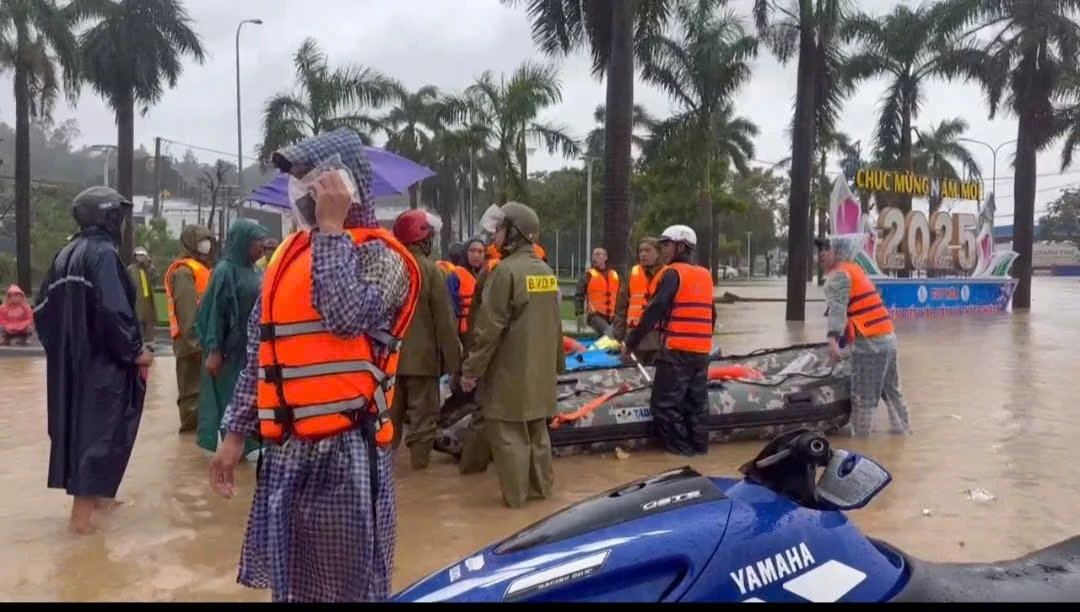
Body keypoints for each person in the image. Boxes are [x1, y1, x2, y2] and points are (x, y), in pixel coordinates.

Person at [208, 128, 421, 602]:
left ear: (345, 186)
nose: (301, 191)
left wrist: (330, 230)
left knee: (347, 589)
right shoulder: (285, 260)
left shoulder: (383, 258)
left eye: (313, 180)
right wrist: (235, 435)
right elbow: (262, 357)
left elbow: (346, 316)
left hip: (347, 452)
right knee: (293, 590)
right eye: (298, 181)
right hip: (285, 452)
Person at [33, 186, 154, 534]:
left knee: (79, 432)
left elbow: (41, 312)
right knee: (99, 435)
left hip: (70, 369)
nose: (125, 225)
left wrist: (64, 352)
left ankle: (101, 502)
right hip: (103, 368)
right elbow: (114, 310)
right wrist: (135, 351)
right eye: (121, 217)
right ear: (108, 218)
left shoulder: (64, 254)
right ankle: (81, 523)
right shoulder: (102, 255)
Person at [460, 202, 564, 508]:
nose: (495, 234)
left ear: (515, 231)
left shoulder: (505, 272)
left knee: (509, 437)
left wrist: (471, 371)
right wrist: (556, 366)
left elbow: (488, 330)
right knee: (537, 435)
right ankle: (541, 500)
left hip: (509, 374)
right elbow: (556, 325)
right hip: (541, 374)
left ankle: (516, 510)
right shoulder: (545, 271)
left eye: (501, 228)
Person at [622, 225, 716, 456]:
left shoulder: (672, 273)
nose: (662, 249)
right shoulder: (705, 274)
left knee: (663, 406)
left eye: (666, 244)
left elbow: (655, 310)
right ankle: (700, 452)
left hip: (676, 351)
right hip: (701, 352)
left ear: (680, 246)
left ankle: (681, 455)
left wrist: (631, 342)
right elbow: (712, 314)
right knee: (696, 406)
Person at [816, 236, 912, 437]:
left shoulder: (839, 275)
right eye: (820, 250)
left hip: (869, 342)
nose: (821, 254)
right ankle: (902, 432)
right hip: (887, 338)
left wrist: (832, 341)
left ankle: (861, 442)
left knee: (862, 397)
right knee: (891, 391)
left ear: (838, 252)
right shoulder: (856, 270)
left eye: (826, 249)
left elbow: (837, 310)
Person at [389, 210, 462, 470]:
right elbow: (445, 322)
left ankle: (384, 475)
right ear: (422, 238)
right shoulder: (431, 271)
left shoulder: (386, 265)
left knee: (388, 421)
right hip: (422, 362)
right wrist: (456, 364)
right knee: (422, 423)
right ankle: (419, 473)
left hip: (387, 361)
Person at [193, 219, 269, 455]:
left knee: (251, 398)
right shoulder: (225, 270)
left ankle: (247, 449)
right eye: (257, 242)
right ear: (243, 242)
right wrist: (214, 351)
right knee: (230, 398)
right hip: (229, 350)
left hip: (251, 347)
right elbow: (216, 311)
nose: (261, 248)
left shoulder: (256, 271)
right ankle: (229, 452)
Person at [165, 225, 215, 433]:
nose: (207, 244)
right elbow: (187, 314)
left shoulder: (202, 268)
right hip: (190, 345)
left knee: (201, 397)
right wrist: (196, 344)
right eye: (201, 240)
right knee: (191, 398)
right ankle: (190, 437)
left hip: (202, 342)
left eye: (208, 239)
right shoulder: (184, 272)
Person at [612, 237, 666, 365]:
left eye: (647, 250)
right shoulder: (632, 273)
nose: (643, 254)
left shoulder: (668, 274)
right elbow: (621, 307)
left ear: (658, 253)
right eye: (640, 251)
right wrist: (619, 336)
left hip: (659, 338)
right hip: (634, 337)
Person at [575, 247, 619, 336]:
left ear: (605, 257)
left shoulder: (614, 275)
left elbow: (622, 296)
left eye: (598, 254)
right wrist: (579, 313)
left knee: (621, 335)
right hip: (595, 316)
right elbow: (579, 295)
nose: (595, 257)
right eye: (594, 255)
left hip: (613, 316)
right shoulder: (588, 276)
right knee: (610, 334)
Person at [126, 247, 158, 344]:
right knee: (138, 325)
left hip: (148, 302)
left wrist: (149, 264)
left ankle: (149, 344)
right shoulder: (131, 269)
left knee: (149, 327)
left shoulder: (148, 269)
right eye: (138, 255)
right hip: (137, 302)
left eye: (142, 255)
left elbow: (155, 277)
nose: (140, 258)